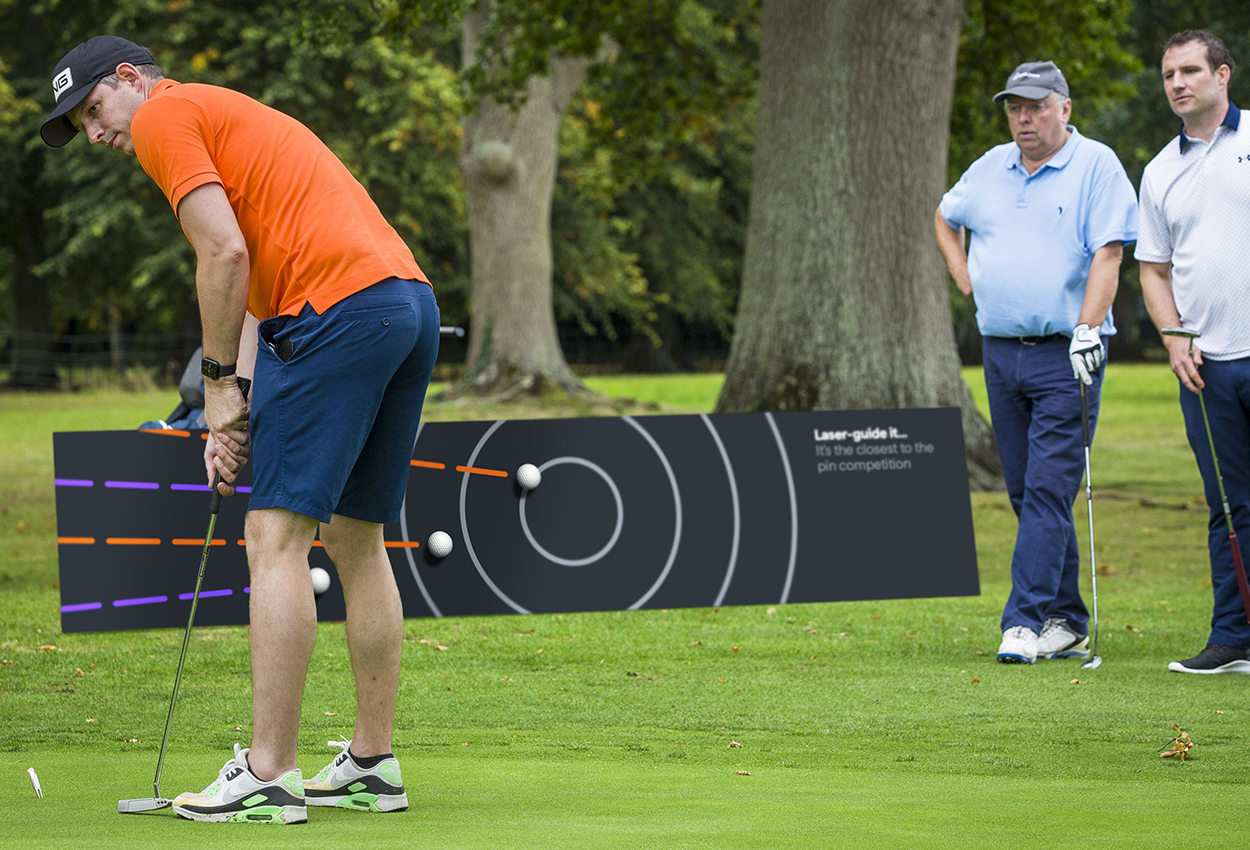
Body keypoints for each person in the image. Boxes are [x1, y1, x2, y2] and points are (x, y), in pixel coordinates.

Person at [41, 36, 440, 822]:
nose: (94, 134)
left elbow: (221, 255)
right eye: (79, 125)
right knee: (355, 537)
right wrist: (237, 403)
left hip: (336, 315)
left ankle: (268, 773)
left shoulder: (165, 116)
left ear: (130, 80)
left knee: (273, 536)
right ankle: (371, 763)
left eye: (92, 109)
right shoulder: (225, 114)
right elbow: (252, 274)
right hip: (404, 305)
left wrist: (218, 388)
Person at [934, 61, 1138, 665]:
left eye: (1036, 106)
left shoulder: (1096, 165)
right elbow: (945, 218)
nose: (1024, 117)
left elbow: (1109, 254)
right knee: (1026, 493)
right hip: (1001, 354)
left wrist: (1085, 328)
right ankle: (1067, 618)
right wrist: (964, 273)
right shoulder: (989, 167)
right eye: (1015, 108)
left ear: (1064, 108)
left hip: (1067, 354)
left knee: (1049, 490)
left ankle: (1022, 622)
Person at [1137, 30, 1250, 675]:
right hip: (1205, 367)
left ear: (1222, 75)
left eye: (1189, 70)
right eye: (1168, 74)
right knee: (1229, 506)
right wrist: (1174, 336)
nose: (1177, 83)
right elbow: (1153, 269)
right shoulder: (1159, 171)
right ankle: (1233, 638)